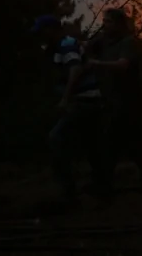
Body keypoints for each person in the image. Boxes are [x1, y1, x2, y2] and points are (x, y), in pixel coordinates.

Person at [69, 8, 142, 196]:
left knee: (118, 144)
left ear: (119, 24)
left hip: (129, 102)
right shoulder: (103, 41)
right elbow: (85, 45)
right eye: (104, 21)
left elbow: (123, 64)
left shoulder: (128, 42)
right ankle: (135, 183)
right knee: (123, 144)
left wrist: (97, 64)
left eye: (109, 22)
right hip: (111, 102)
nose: (105, 25)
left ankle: (107, 186)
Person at [34, 15, 105, 202]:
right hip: (88, 101)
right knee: (90, 145)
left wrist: (65, 99)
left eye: (43, 31)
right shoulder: (63, 46)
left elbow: (74, 69)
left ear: (51, 30)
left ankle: (68, 190)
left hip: (83, 101)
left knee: (57, 138)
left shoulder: (66, 44)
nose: (41, 36)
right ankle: (100, 188)